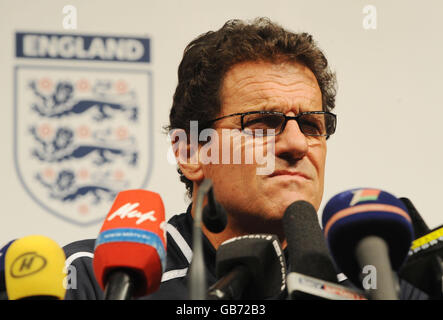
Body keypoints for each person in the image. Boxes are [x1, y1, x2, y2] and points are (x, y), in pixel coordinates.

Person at [63, 17, 427, 300]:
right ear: (190, 151)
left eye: (312, 125)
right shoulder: (100, 282)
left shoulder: (379, 284)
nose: (296, 145)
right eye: (263, 123)